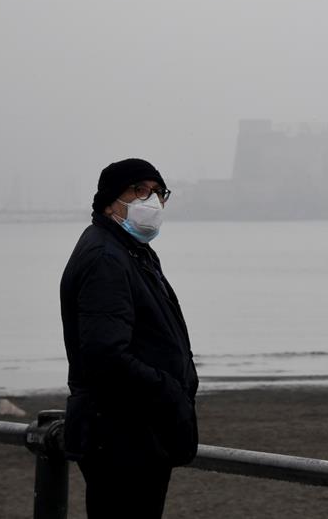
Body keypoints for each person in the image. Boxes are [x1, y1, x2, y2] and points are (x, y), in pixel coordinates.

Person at [60, 158, 198, 519]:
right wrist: (168, 390)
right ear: (109, 202)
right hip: (122, 435)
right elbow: (105, 355)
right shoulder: (106, 256)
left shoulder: (130, 250)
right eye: (138, 191)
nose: (151, 202)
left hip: (136, 431)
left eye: (157, 193)